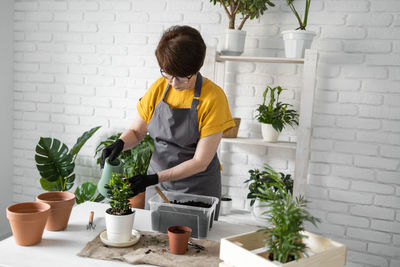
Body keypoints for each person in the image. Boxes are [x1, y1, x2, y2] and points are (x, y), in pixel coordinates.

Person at [101, 25, 235, 219]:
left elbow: (200, 162)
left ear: (197, 68)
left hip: (197, 189)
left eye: (181, 77)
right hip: (159, 187)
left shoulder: (213, 98)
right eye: (166, 73)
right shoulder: (159, 88)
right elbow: (137, 132)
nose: (172, 83)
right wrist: (120, 143)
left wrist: (153, 178)